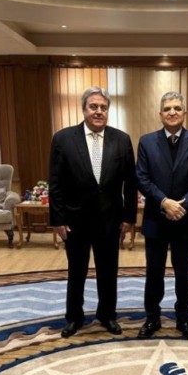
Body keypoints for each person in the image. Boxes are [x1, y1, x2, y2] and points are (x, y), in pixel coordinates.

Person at [49, 86, 138, 337]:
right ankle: (74, 318)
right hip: (75, 221)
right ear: (84, 109)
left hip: (110, 220)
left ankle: (107, 315)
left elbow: (130, 183)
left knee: (108, 272)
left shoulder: (121, 140)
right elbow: (55, 182)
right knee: (76, 272)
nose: (99, 111)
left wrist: (129, 217)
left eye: (103, 107)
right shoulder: (63, 139)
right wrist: (58, 219)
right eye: (93, 107)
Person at [136, 91, 188, 339]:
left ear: (184, 113)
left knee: (184, 273)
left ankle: (183, 319)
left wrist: (182, 205)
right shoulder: (147, 142)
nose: (172, 112)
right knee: (154, 273)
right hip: (156, 218)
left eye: (177, 108)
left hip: (185, 219)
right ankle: (152, 318)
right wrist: (164, 202)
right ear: (160, 114)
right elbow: (142, 178)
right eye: (167, 108)